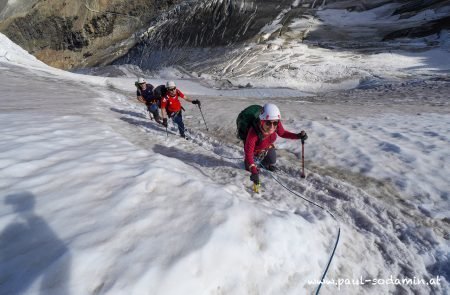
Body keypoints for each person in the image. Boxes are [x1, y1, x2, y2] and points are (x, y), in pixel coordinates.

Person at [244, 103, 308, 185]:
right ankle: (253, 165)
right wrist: (253, 170)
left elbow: (283, 133)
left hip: (266, 148)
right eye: (268, 123)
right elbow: (248, 153)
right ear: (262, 121)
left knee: (272, 160)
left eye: (275, 123)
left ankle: (263, 164)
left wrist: (297, 136)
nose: (272, 126)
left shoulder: (275, 123)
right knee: (249, 169)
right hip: (254, 153)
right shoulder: (253, 133)